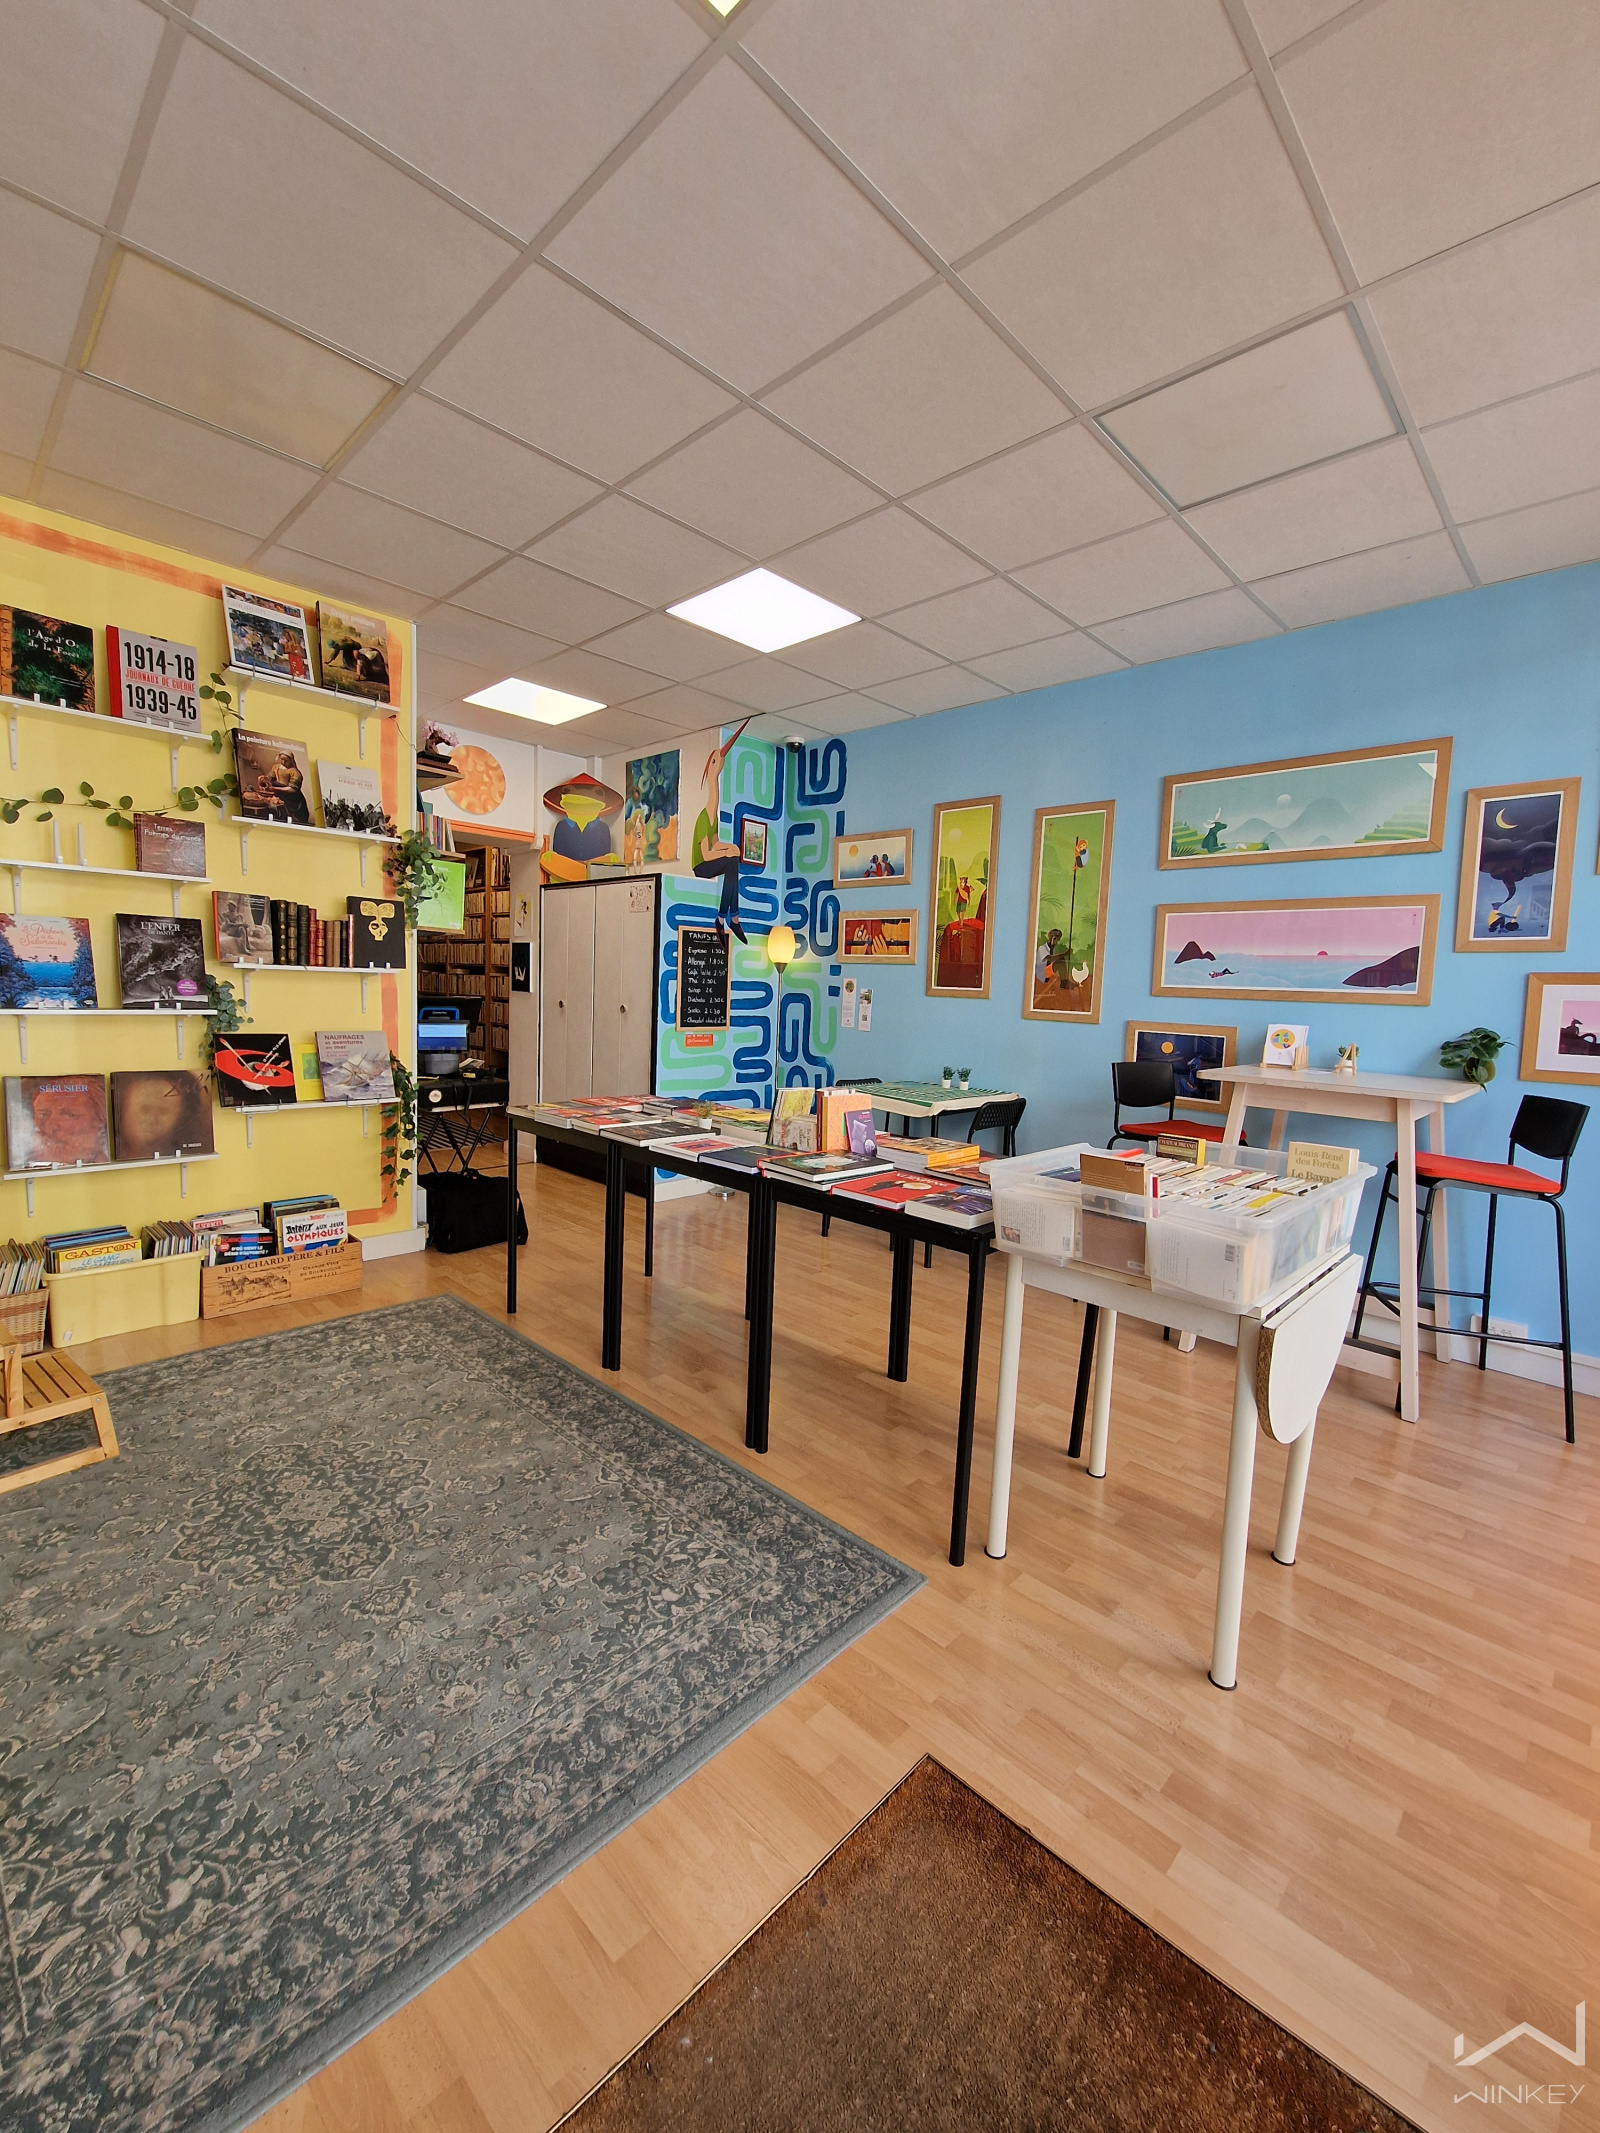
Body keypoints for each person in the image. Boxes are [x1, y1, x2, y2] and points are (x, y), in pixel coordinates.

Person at [692, 718, 752, 942]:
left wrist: (731, 847)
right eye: (717, 761)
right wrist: (726, 853)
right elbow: (707, 855)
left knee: (733, 859)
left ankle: (728, 917)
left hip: (711, 861)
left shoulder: (713, 816)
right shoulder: (702, 818)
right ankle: (729, 917)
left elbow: (716, 843)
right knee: (730, 861)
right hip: (700, 866)